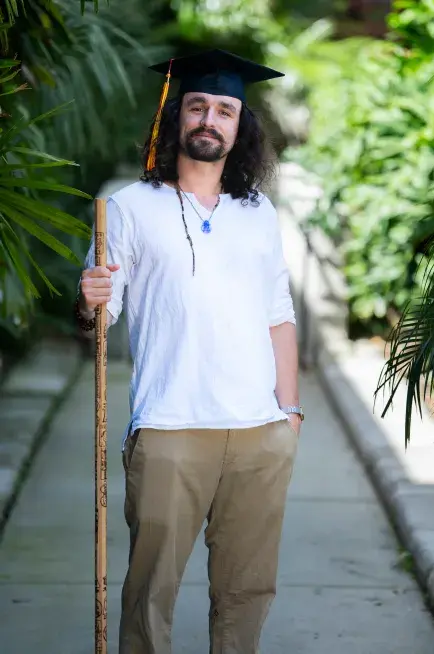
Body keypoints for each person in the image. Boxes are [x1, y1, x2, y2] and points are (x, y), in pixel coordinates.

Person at [76, 49, 304, 654]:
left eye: (225, 110)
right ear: (176, 117)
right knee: (151, 596)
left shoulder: (257, 213)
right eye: (198, 106)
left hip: (260, 434)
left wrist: (290, 415)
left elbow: (279, 316)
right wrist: (90, 297)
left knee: (247, 595)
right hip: (170, 430)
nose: (210, 119)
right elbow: (101, 318)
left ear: (240, 126)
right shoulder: (126, 208)